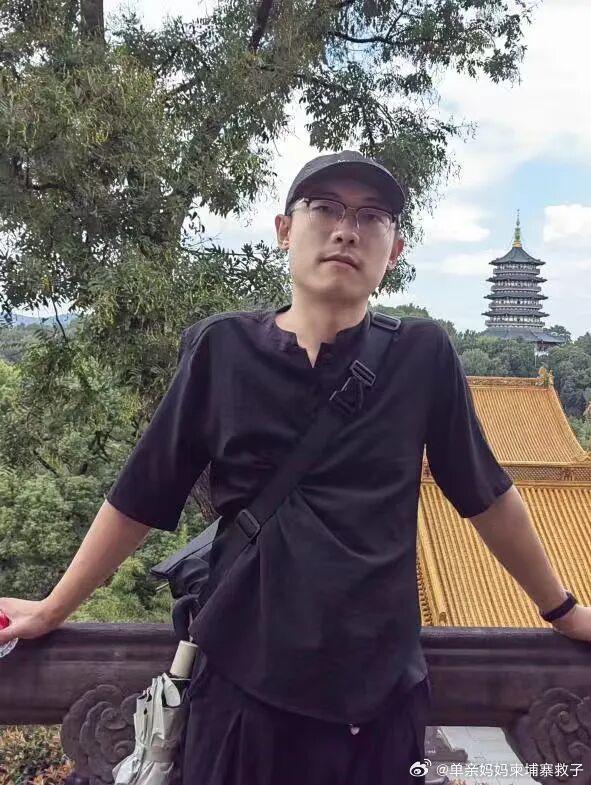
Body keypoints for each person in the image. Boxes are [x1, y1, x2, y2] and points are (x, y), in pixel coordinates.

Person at [1, 150, 586, 785]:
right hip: (241, 688)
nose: (346, 230)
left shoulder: (423, 356)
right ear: (285, 229)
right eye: (326, 208)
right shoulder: (222, 349)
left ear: (394, 250)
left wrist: (562, 610)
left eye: (372, 216)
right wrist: (53, 608)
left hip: (379, 699)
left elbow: (486, 496)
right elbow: (142, 493)